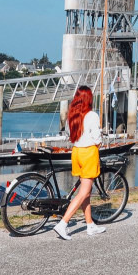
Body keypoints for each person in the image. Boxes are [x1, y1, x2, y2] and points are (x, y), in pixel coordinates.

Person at [52, 86, 106, 240]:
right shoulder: (92, 115)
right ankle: (63, 223)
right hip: (89, 153)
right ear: (88, 99)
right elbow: (97, 138)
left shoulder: (73, 116)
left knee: (86, 191)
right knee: (83, 192)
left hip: (76, 152)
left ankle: (90, 225)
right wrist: (99, 143)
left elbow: (70, 135)